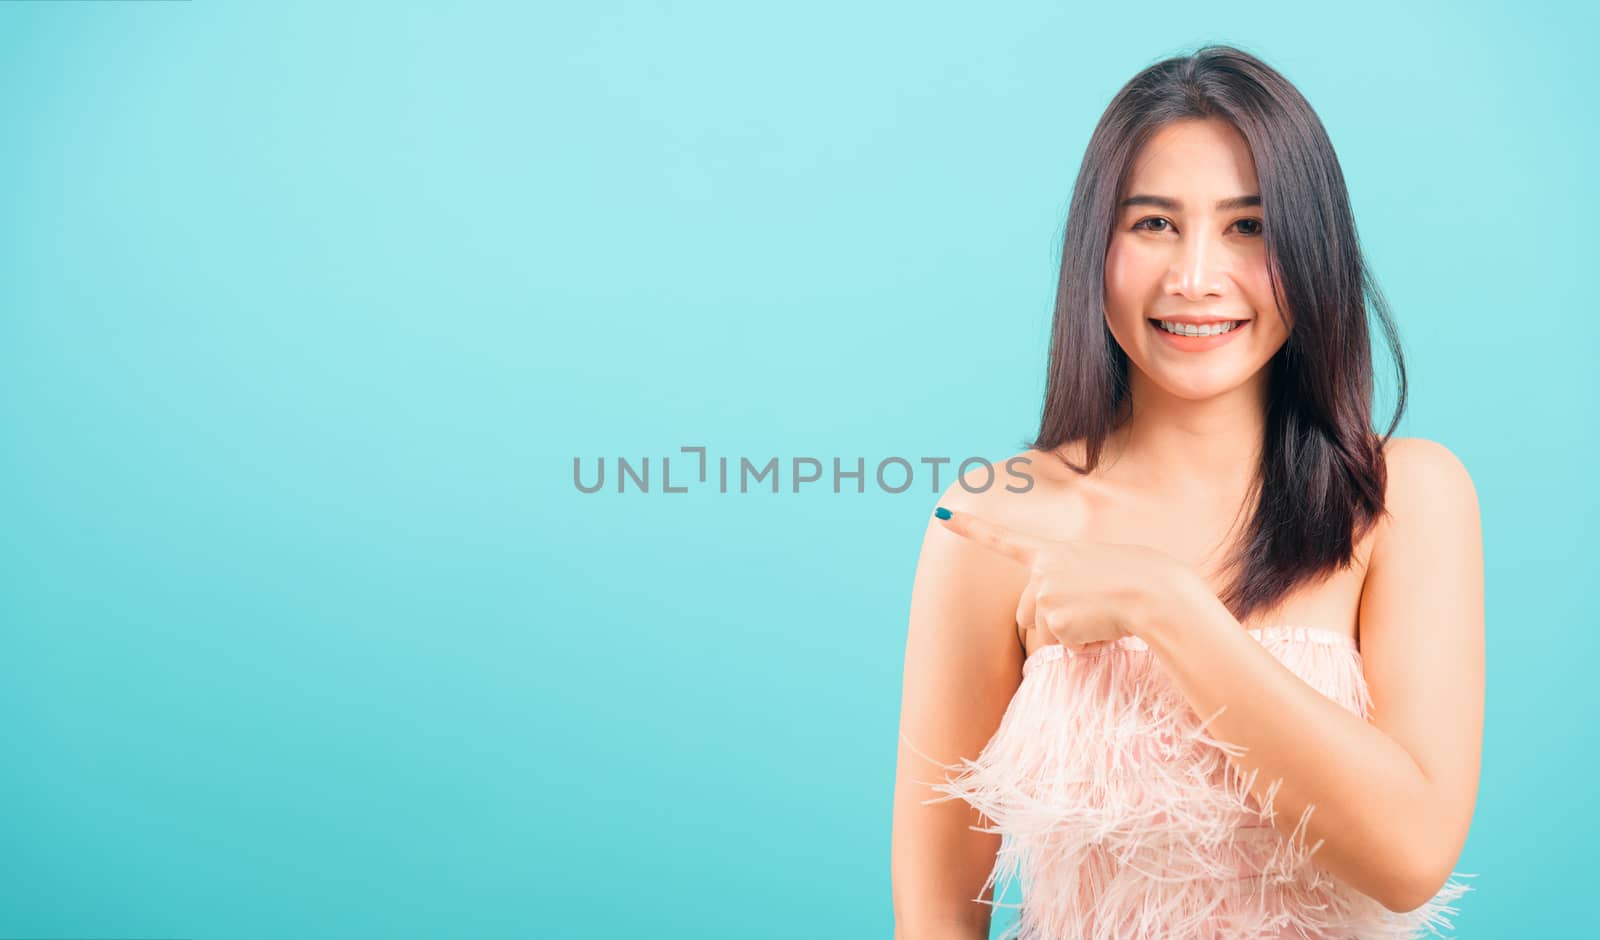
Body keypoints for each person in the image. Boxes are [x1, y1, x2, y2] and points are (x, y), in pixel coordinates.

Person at [889, 44, 1483, 940]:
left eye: (1248, 226)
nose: (1195, 277)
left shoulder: (1402, 500)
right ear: (1097, 245)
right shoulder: (993, 522)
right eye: (1154, 224)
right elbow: (936, 916)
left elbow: (1409, 859)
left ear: (1314, 249)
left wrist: (1164, 605)